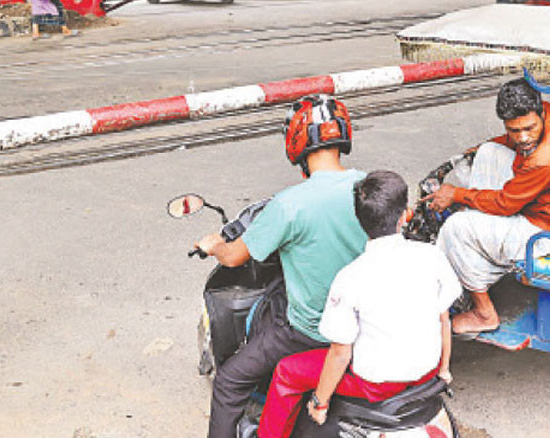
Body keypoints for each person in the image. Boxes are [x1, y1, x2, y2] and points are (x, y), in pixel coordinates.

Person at [194, 95, 369, 438]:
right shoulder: (370, 188)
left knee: (229, 381)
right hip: (366, 326)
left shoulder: (288, 205)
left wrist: (214, 245)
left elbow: (234, 257)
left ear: (297, 141)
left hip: (308, 333)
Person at [256, 171, 461, 438]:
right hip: (428, 373)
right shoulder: (431, 255)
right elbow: (443, 318)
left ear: (360, 220)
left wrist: (320, 402)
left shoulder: (350, 277)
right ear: (405, 214)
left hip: (377, 386)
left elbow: (340, 353)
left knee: (286, 372)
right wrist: (443, 370)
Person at [427, 79, 550, 334]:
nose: (523, 138)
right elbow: (508, 143)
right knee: (489, 151)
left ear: (538, 114)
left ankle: (484, 313)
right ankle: (477, 251)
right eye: (514, 130)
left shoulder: (544, 159)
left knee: (455, 227)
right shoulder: (549, 112)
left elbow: (505, 203)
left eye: (529, 128)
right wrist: (483, 147)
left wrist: (457, 194)